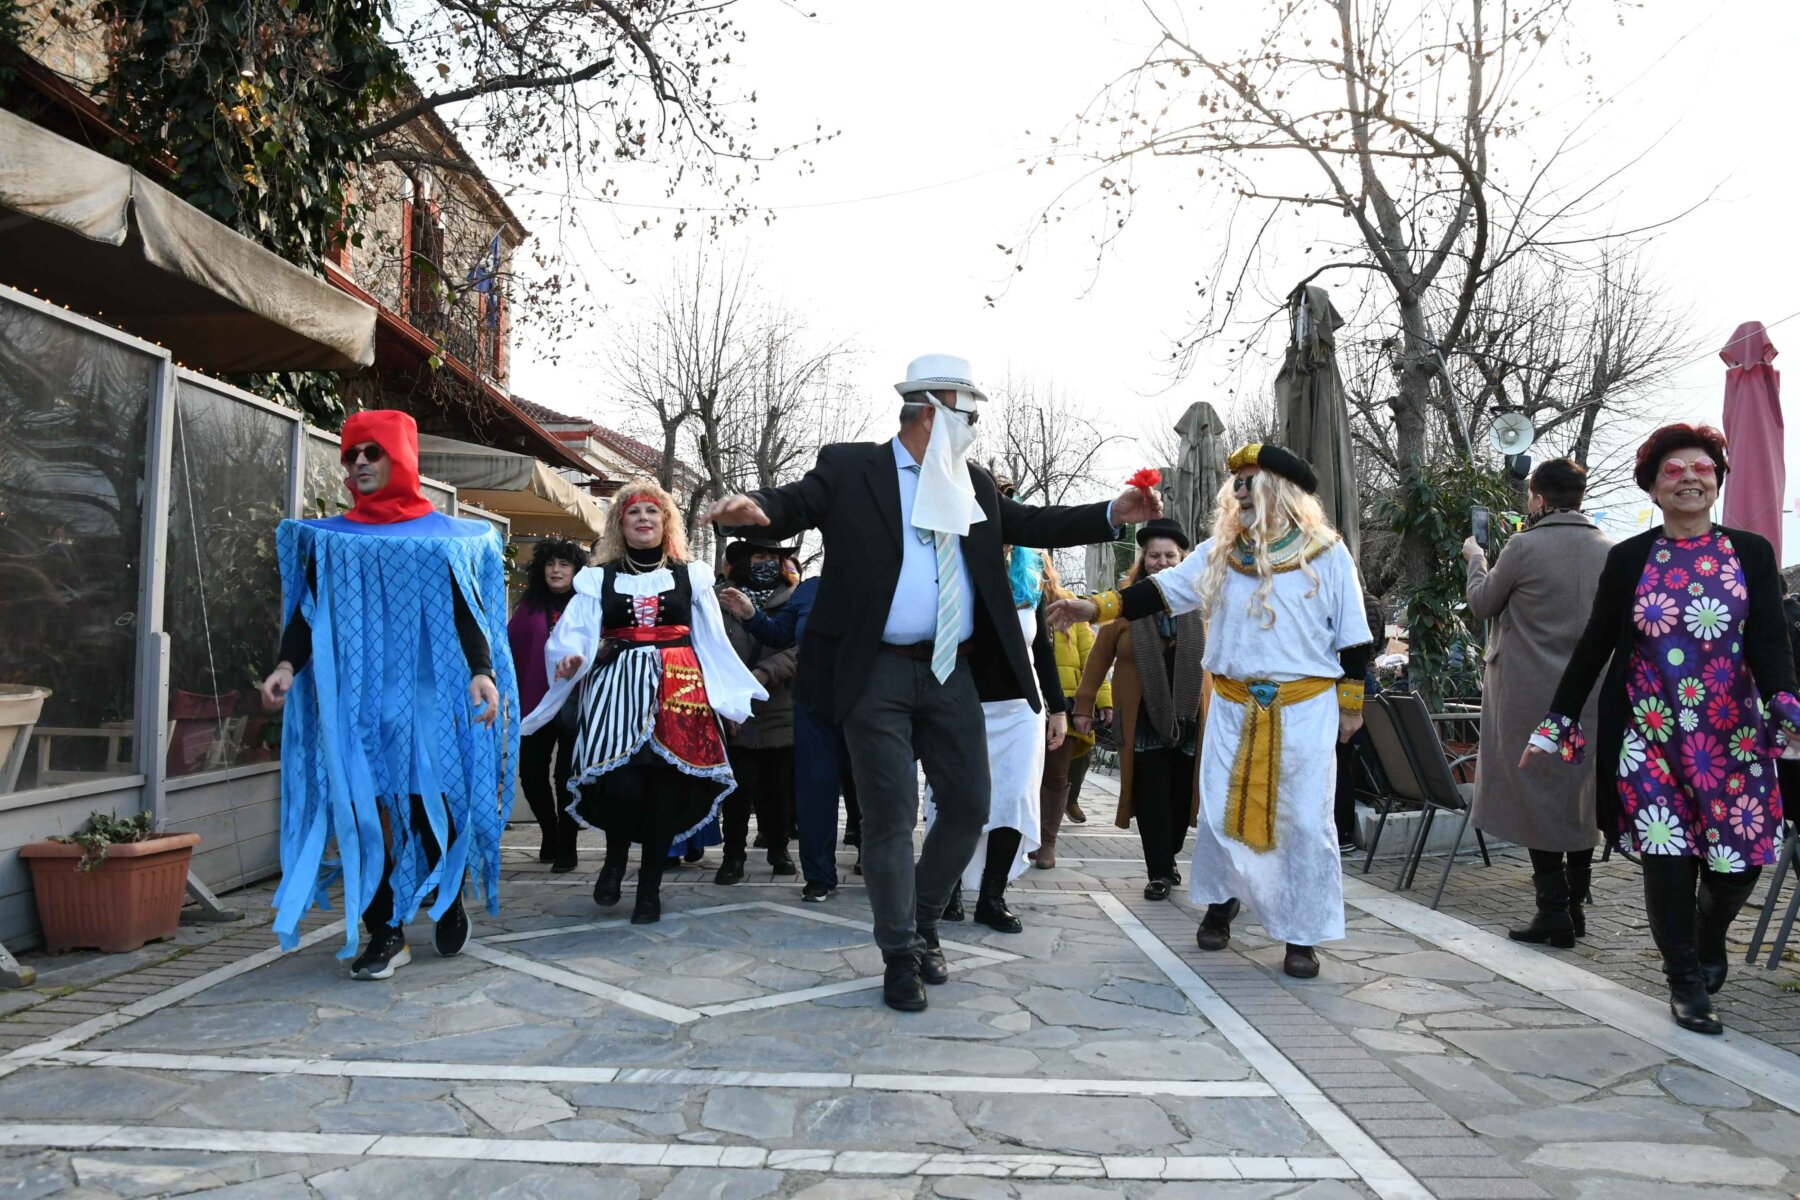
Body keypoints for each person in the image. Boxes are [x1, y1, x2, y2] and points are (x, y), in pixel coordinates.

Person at [705, 354, 1155, 1011]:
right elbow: (793, 503)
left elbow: (1034, 523)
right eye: (966, 414)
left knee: (970, 805)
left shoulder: (972, 484)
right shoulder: (851, 469)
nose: (973, 427)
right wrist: (755, 510)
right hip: (875, 671)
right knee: (889, 817)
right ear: (928, 413)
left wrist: (1114, 510)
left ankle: (920, 921)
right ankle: (899, 955)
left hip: (953, 670)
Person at [1051, 444, 1373, 980]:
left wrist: (1351, 706)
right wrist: (1096, 606)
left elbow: (1355, 637)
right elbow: (1160, 592)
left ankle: (1302, 935)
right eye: (1236, 483)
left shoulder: (1327, 552)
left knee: (1304, 822)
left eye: (1249, 482)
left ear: (1278, 489)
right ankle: (1222, 904)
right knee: (1222, 817)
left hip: (1303, 710)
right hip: (1231, 706)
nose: (1239, 492)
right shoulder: (1220, 552)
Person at [1525, 424, 1799, 1035]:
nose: (1690, 478)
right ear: (1653, 487)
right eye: (1673, 471)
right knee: (1667, 856)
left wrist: (1785, 701)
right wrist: (1559, 718)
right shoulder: (1629, 558)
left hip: (1734, 739)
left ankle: (1708, 934)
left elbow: (1770, 640)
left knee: (1736, 869)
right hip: (1649, 737)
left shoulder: (1750, 553)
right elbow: (1596, 643)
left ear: (1717, 481)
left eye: (1702, 468)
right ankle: (1685, 981)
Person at [259, 410, 516, 980]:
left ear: (400, 457)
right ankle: (385, 933)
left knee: (429, 809)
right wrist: (286, 665)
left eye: (371, 452)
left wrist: (481, 671)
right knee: (360, 811)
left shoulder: (442, 540)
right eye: (350, 454)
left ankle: (446, 894)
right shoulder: (331, 542)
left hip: (427, 702)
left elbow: (466, 610)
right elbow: (309, 612)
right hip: (356, 703)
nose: (358, 463)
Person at [520, 479, 765, 924]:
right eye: (634, 512)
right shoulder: (598, 578)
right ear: (620, 522)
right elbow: (573, 633)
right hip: (616, 686)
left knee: (666, 788)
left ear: (666, 521)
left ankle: (649, 886)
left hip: (680, 689)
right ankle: (615, 860)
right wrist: (571, 657)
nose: (643, 519)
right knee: (620, 782)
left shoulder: (692, 575)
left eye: (652, 511)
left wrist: (728, 699)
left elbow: (711, 641)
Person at [1458, 459, 1610, 946]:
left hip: (1529, 691)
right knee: (1580, 795)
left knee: (1536, 795)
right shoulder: (1610, 549)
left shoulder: (1523, 546)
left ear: (1539, 499)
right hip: (1592, 693)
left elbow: (1482, 603)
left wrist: (1475, 559)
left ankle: (1553, 909)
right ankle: (1575, 906)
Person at [926, 545, 1067, 931]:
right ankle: (948, 888)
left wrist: (1057, 708)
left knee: (1014, 799)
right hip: (962, 703)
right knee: (954, 798)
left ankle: (993, 897)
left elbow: (1041, 648)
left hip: (1021, 709)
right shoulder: (954, 565)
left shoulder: (1029, 573)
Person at [1071, 519, 1202, 900]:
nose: (1162, 563)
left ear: (1184, 559)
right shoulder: (1125, 605)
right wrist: (1085, 705)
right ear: (1143, 560)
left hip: (1192, 715)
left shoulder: (1203, 601)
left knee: (1182, 794)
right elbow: (1098, 659)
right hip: (1142, 716)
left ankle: (1170, 852)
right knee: (1150, 794)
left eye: (1169, 556)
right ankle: (1159, 870)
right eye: (1154, 556)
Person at [715, 536, 802, 884]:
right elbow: (711, 649)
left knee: (778, 789)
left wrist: (766, 672)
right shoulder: (718, 600)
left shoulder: (795, 598)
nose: (765, 563)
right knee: (737, 790)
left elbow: (801, 648)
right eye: (758, 556)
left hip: (780, 704)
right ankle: (732, 855)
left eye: (771, 557)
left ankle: (778, 849)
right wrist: (727, 700)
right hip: (734, 710)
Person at [508, 537, 586, 873]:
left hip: (575, 703)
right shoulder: (528, 607)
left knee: (567, 778)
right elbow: (512, 649)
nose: (556, 570)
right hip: (535, 703)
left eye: (564, 564)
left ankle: (567, 845)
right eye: (550, 563)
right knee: (530, 775)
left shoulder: (586, 606)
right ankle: (549, 831)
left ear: (576, 570)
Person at [1033, 558, 1111, 869]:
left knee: (1056, 775)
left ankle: (1047, 842)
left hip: (1063, 704)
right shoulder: (1013, 599)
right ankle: (1024, 837)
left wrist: (1102, 700)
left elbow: (1091, 656)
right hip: (1023, 701)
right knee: (1027, 776)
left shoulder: (1068, 605)